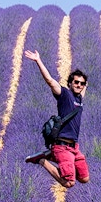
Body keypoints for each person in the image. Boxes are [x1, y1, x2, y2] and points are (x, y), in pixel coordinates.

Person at [24, 49, 90, 189]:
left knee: (84, 178)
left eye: (81, 83)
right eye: (76, 82)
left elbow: (83, 88)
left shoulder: (79, 99)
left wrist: (86, 83)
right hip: (62, 146)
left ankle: (51, 155)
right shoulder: (64, 94)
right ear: (70, 83)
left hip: (74, 147)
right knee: (69, 183)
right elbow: (49, 80)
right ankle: (42, 160)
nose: (79, 85)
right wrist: (38, 60)